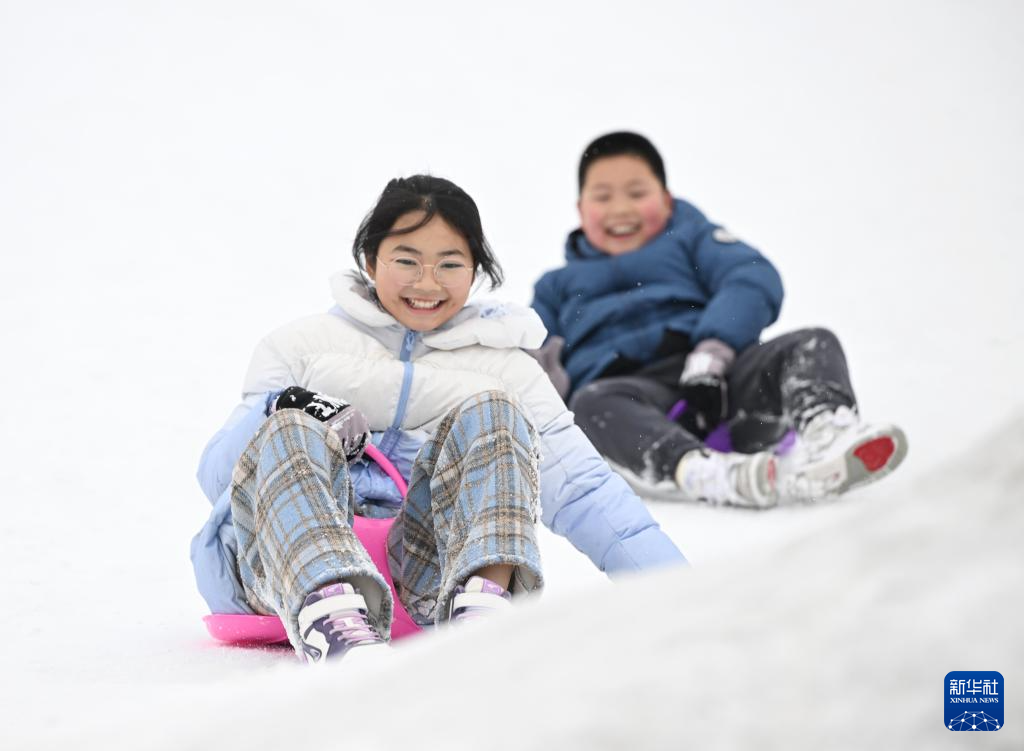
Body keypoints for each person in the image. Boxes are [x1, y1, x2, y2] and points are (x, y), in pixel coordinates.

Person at [191, 175, 686, 664]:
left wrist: (679, 598)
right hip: (281, 568)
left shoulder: (506, 370)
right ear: (371, 261)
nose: (427, 283)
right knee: (289, 424)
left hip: (419, 573)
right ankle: (333, 622)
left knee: (496, 410)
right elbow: (220, 479)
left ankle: (483, 613)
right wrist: (282, 406)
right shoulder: (299, 348)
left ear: (474, 271)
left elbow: (582, 488)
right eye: (407, 261)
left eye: (449, 264)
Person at [529, 132, 907, 509]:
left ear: (666, 199)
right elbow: (527, 352)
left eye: (637, 193)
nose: (621, 209)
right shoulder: (556, 287)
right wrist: (543, 394)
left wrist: (712, 353)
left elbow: (749, 277)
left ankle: (827, 431)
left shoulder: (693, 241)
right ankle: (702, 471)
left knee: (811, 342)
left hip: (722, 384)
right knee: (592, 404)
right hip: (632, 401)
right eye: (603, 197)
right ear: (581, 209)